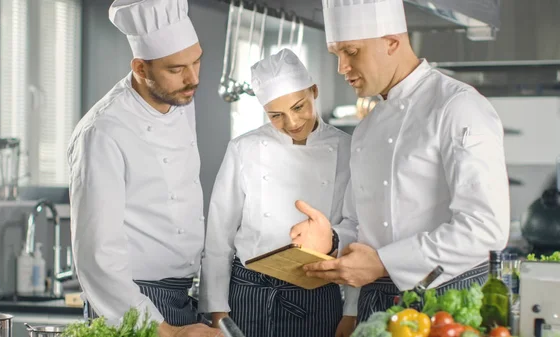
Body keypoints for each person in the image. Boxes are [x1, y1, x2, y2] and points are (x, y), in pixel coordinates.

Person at [289, 0, 511, 330]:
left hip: (444, 302)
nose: (342, 67)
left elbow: (485, 229)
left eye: (351, 52)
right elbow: (359, 223)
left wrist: (382, 263)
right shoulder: (366, 127)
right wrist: (332, 240)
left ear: (392, 41)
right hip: (373, 304)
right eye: (337, 54)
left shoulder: (458, 107)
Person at [67, 0, 221, 336]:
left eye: (197, 61)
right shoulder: (103, 131)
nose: (193, 78)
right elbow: (97, 256)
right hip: (130, 301)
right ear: (140, 68)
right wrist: (166, 331)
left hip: (182, 294)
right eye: (176, 69)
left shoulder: (179, 100)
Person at [198, 48, 358, 337]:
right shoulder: (243, 148)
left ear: (314, 91)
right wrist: (217, 310)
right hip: (248, 293)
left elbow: (356, 230)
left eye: (299, 107)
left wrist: (352, 312)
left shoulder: (348, 149)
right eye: (276, 115)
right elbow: (219, 236)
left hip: (316, 293)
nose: (292, 122)